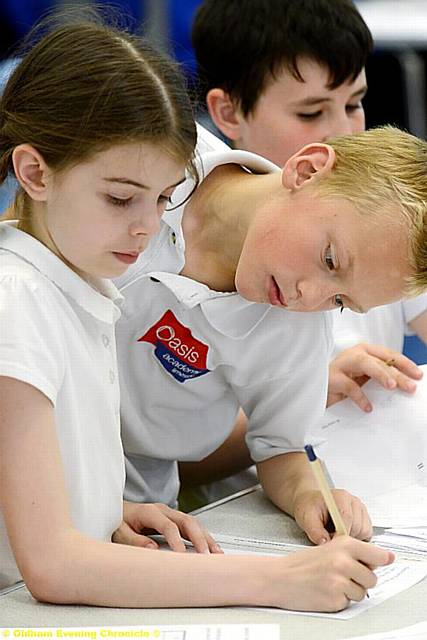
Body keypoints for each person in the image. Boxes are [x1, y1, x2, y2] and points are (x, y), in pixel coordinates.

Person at [0, 13, 392, 615]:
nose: (147, 226)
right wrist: (278, 580)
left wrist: (110, 509)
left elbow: (43, 496)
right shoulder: (19, 296)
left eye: (161, 200)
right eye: (121, 198)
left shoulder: (84, 289)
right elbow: (53, 566)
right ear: (34, 174)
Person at [114, 124, 427, 552]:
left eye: (339, 300)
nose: (307, 297)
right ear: (307, 170)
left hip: (129, 514)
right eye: (330, 259)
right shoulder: (157, 142)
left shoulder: (299, 329)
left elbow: (280, 447)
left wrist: (309, 495)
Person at [184, 0, 427, 497]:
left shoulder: (379, 213)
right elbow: (159, 462)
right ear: (227, 112)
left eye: (355, 104)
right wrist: (309, 398)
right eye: (311, 111)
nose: (343, 131)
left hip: (384, 495)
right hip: (246, 515)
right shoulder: (176, 224)